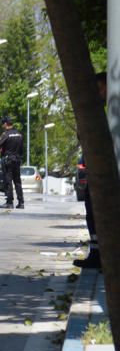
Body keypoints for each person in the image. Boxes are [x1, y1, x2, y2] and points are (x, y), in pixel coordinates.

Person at [74, 72, 109, 269]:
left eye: (99, 88)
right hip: (94, 169)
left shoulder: (108, 112)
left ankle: (99, 255)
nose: (98, 93)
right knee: (92, 212)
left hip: (101, 172)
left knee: (96, 211)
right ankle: (96, 252)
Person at [0, 116, 25, 209]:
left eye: (2, 124)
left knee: (8, 181)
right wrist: (19, 158)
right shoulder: (19, 134)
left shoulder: (6, 135)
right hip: (17, 160)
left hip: (8, 161)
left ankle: (9, 202)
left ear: (5, 124)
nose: (2, 126)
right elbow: (22, 149)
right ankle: (21, 202)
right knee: (17, 181)